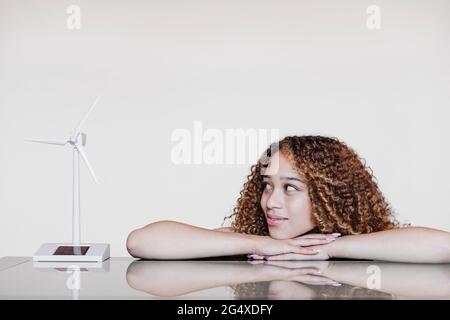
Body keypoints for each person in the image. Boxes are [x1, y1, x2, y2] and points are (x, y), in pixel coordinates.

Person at [126, 136, 450, 263]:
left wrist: (330, 248)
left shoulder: (364, 244)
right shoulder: (258, 242)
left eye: (290, 188)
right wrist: (262, 244)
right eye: (267, 186)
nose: (271, 202)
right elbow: (142, 242)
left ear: (330, 195)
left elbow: (443, 247)